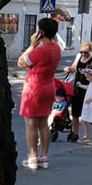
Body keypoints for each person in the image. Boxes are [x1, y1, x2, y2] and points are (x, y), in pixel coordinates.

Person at [17, 17, 61, 170]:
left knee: (31, 124)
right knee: (43, 124)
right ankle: (44, 157)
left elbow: (21, 62)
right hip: (49, 87)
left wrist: (31, 45)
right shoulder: (56, 48)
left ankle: (32, 157)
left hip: (34, 89)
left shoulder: (40, 51)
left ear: (40, 32)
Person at [64, 41, 92, 141]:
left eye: (86, 52)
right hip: (77, 86)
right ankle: (75, 133)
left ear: (90, 51)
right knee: (75, 112)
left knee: (88, 112)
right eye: (81, 52)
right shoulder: (79, 57)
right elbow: (74, 68)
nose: (83, 54)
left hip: (88, 88)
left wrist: (86, 71)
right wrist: (68, 69)